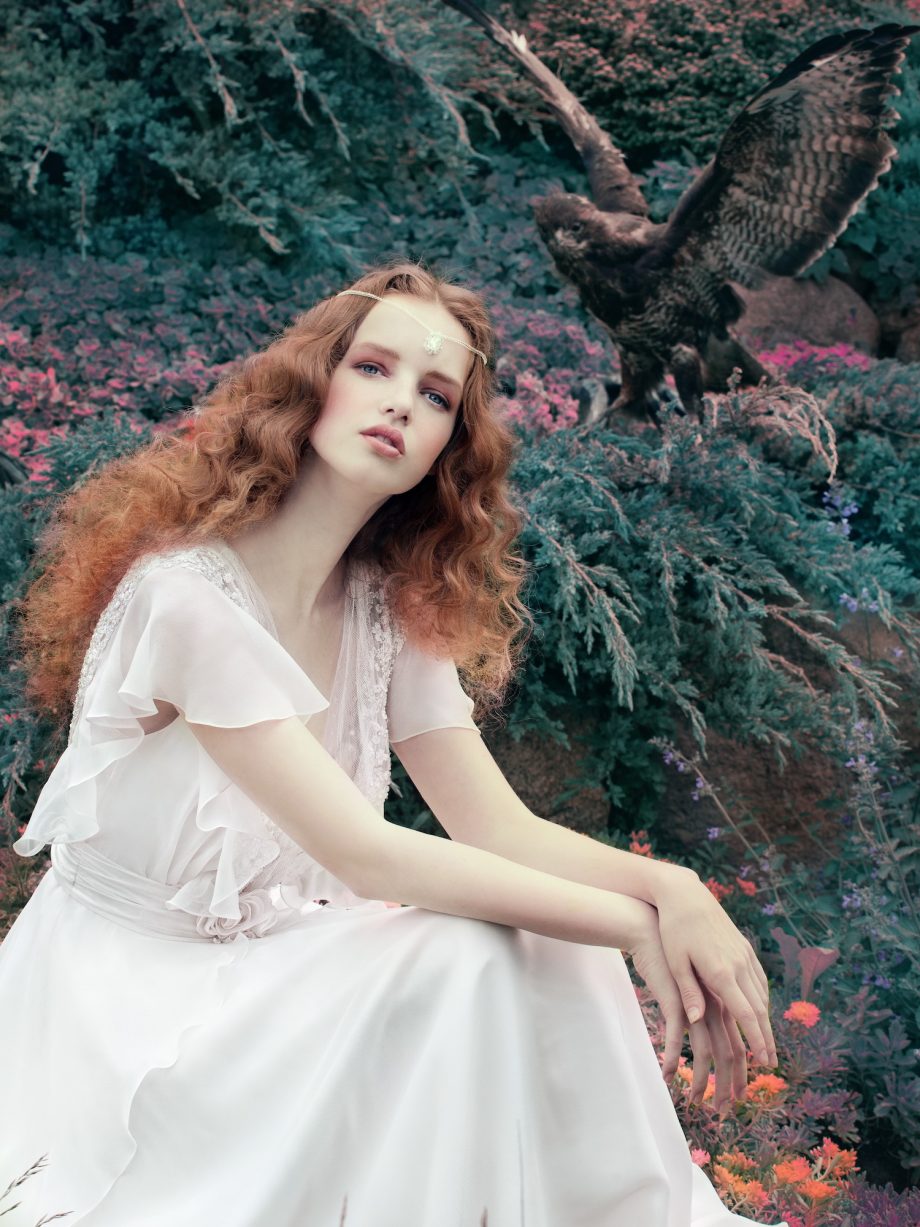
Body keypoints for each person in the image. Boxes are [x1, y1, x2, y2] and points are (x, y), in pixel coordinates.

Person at [0, 262, 785, 1227]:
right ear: (312, 382)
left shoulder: (383, 607)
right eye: (374, 367)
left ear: (449, 447)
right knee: (481, 955)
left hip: (277, 965)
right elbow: (363, 852)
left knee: (542, 940)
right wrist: (628, 926)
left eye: (436, 395)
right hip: (129, 1008)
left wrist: (673, 889)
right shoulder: (187, 599)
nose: (399, 404)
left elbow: (497, 828)